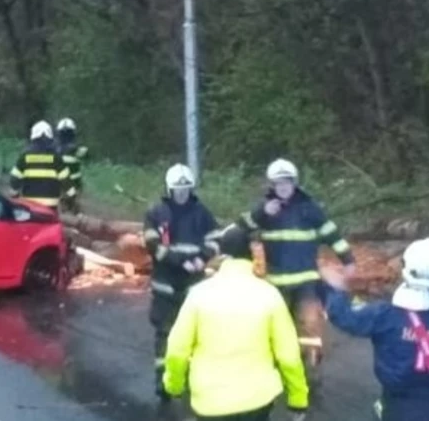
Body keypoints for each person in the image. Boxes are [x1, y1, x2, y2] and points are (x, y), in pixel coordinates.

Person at [319, 237, 429, 421]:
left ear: (404, 269)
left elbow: (345, 318)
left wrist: (337, 289)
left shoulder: (383, 315)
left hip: (396, 409)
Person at [227, 158, 355, 390]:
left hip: (306, 282)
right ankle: (277, 373)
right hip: (276, 285)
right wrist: (262, 212)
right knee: (276, 330)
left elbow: (331, 234)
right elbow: (239, 228)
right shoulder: (265, 209)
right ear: (271, 186)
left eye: (286, 182)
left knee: (310, 330)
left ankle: (310, 376)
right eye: (278, 183)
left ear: (294, 183)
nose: (283, 187)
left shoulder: (309, 208)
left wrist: (348, 261)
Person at [163, 225, 310, 421]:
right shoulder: (269, 294)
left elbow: (177, 348)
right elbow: (288, 354)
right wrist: (298, 399)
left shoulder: (199, 294)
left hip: (211, 402)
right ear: (251, 254)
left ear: (223, 254)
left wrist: (174, 386)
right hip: (258, 400)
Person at [142, 163, 220, 401]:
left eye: (185, 189)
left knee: (196, 334)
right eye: (178, 189)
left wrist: (202, 259)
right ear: (169, 189)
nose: (182, 194)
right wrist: (179, 261)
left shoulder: (202, 213)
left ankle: (192, 378)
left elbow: (215, 240)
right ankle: (162, 380)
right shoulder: (156, 213)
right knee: (164, 334)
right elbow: (153, 245)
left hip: (194, 286)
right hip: (165, 284)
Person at [8, 120, 72, 211]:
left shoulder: (25, 157)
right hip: (51, 207)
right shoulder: (56, 158)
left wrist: (15, 197)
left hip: (29, 206)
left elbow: (14, 181)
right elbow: (67, 183)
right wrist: (70, 200)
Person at [55, 117, 88, 214]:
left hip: (58, 185)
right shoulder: (79, 150)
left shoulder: (54, 150)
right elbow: (87, 155)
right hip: (75, 185)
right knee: (76, 210)